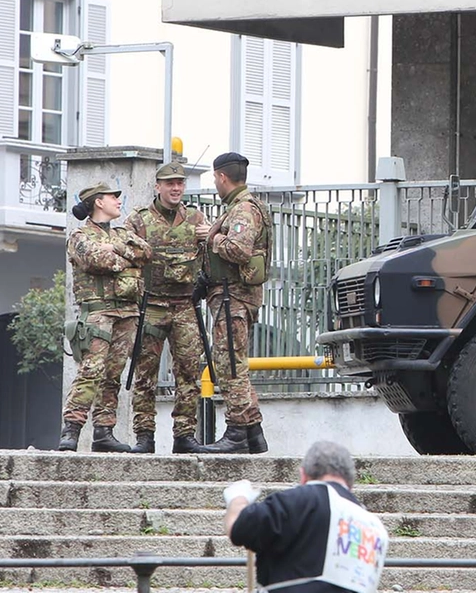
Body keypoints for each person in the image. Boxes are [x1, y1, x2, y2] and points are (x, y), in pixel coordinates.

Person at [223, 441, 389, 593]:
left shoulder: (301, 500)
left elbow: (239, 528)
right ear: (350, 483)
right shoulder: (375, 527)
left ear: (303, 475)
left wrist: (238, 499)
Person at [59, 183, 152, 452]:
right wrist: (124, 256)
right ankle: (72, 429)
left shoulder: (122, 233)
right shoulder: (80, 236)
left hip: (126, 311)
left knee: (113, 374)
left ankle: (104, 431)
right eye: (113, 197)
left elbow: (145, 253)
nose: (118, 201)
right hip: (98, 312)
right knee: (91, 371)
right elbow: (97, 260)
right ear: (98, 202)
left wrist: (117, 252)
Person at [123, 161, 208, 454]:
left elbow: (208, 257)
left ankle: (184, 435)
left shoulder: (196, 218)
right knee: (144, 373)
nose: (175, 188)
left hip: (185, 305)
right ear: (157, 187)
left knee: (188, 371)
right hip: (152, 304)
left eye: (180, 184)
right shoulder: (139, 220)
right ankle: (144, 435)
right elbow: (126, 256)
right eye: (170, 183)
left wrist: (207, 239)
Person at [195, 152, 272, 454]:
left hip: (234, 298)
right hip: (232, 297)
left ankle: (237, 432)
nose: (215, 183)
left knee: (229, 365)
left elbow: (238, 250)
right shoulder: (240, 208)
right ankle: (253, 433)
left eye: (215, 179)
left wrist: (210, 237)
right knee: (234, 363)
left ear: (222, 178)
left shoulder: (241, 210)